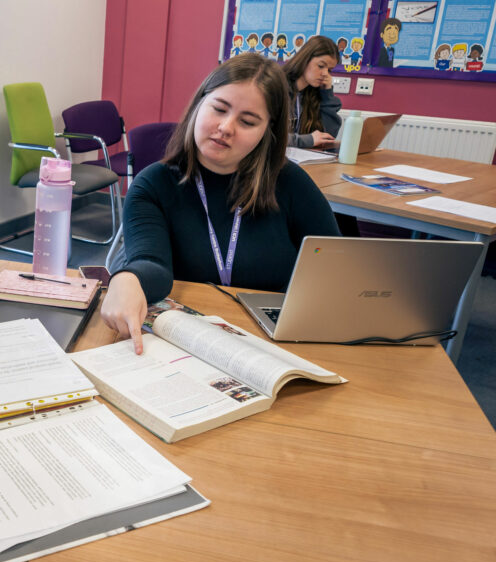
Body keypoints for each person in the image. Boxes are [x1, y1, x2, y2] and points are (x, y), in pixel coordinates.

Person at [100, 53, 340, 353]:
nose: (226, 127)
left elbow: (334, 266)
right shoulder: (154, 184)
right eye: (219, 108)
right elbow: (153, 264)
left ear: (268, 131)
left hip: (277, 343)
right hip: (188, 343)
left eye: (248, 121)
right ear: (200, 104)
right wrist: (128, 278)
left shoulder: (291, 183)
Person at [282, 35, 341, 149]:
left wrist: (327, 94)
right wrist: (308, 140)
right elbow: (267, 137)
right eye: (321, 66)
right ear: (305, 59)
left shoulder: (312, 93)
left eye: (329, 70)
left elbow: (327, 136)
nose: (325, 74)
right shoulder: (276, 86)